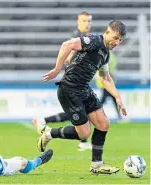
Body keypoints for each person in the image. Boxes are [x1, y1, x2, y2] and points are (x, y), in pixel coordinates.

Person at [37, 20, 127, 175]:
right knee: (84, 133)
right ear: (107, 32)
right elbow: (68, 44)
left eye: (120, 40)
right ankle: (50, 134)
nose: (117, 42)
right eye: (115, 37)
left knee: (103, 124)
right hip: (69, 89)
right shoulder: (93, 41)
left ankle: (96, 165)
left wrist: (118, 98)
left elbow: (105, 78)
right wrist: (57, 68)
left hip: (84, 89)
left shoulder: (105, 54)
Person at [33, 11, 92, 151]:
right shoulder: (76, 37)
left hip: (79, 82)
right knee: (82, 113)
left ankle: (44, 121)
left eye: (89, 21)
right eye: (84, 21)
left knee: (81, 113)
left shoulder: (86, 37)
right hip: (73, 83)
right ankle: (47, 124)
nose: (87, 24)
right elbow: (67, 57)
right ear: (78, 22)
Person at [96, 51, 123, 122]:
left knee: (103, 101)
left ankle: (96, 116)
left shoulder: (106, 55)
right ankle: (95, 116)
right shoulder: (108, 56)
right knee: (107, 100)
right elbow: (107, 70)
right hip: (106, 83)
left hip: (105, 83)